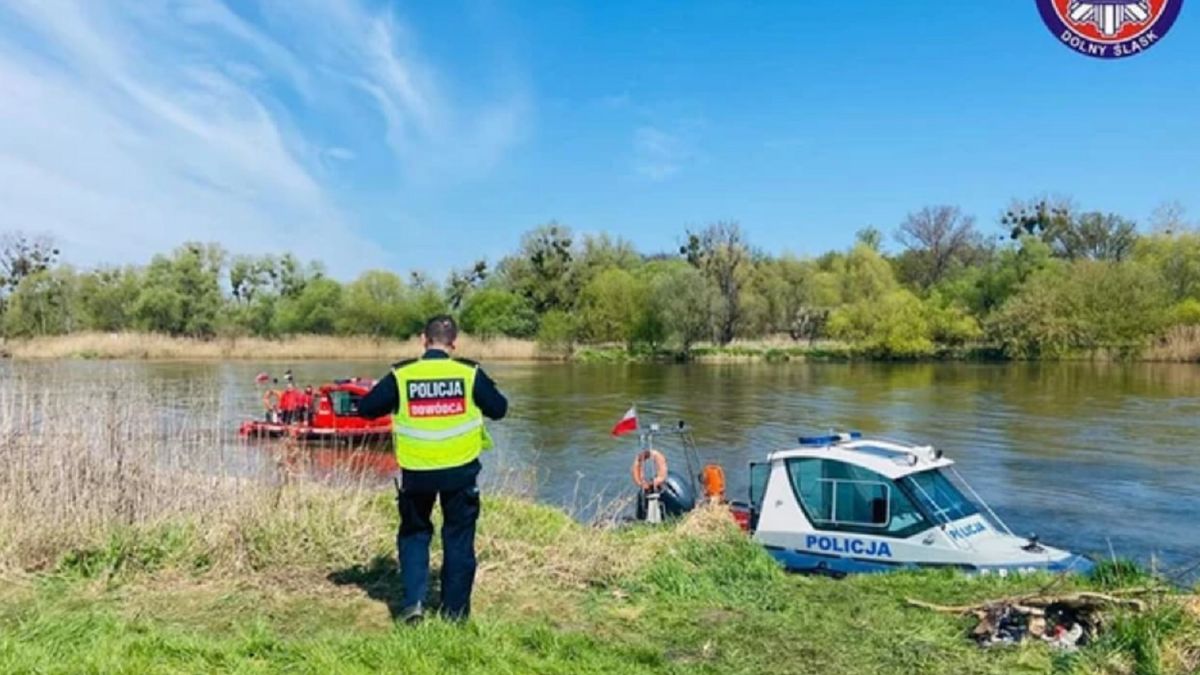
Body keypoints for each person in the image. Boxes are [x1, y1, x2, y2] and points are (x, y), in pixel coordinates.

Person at [359, 315, 507, 624]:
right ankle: (454, 614)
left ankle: (414, 604)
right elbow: (499, 409)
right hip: (460, 471)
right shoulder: (468, 373)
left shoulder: (403, 375)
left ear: (423, 340)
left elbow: (367, 409)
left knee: (414, 534)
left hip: (417, 472)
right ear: (454, 343)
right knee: (458, 538)